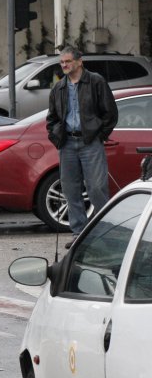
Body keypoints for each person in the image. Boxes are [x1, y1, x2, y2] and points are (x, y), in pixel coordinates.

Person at [47, 47, 118, 248]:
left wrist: (99, 135)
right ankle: (79, 234)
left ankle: (105, 231)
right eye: (62, 62)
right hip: (67, 144)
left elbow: (110, 113)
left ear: (80, 61)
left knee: (97, 189)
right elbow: (51, 118)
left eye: (68, 61)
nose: (64, 65)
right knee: (70, 190)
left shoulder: (96, 81)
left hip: (90, 143)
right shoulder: (59, 88)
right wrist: (56, 137)